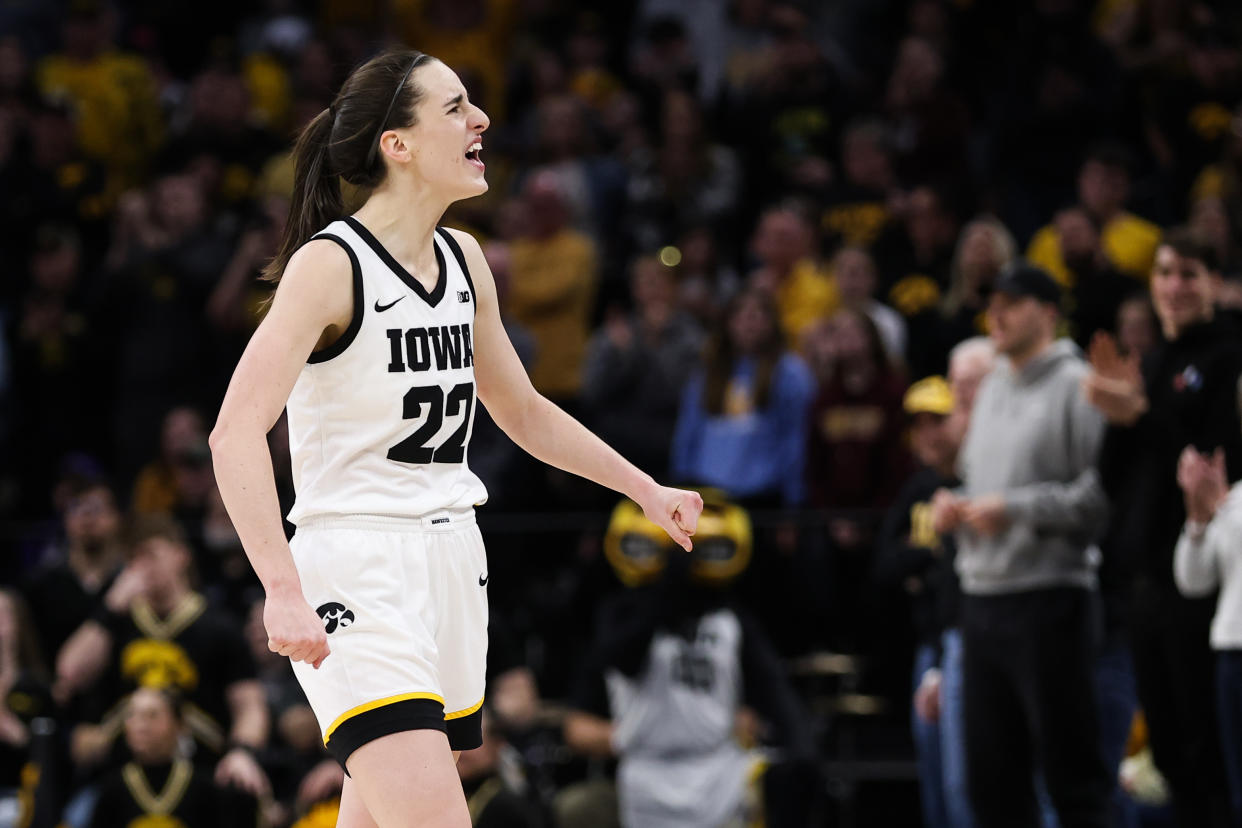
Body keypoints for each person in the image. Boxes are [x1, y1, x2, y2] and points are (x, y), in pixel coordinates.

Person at [207, 50, 703, 828]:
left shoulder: (466, 259)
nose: (481, 120)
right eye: (455, 107)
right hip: (358, 567)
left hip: (450, 562)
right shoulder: (329, 266)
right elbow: (234, 434)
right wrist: (281, 588)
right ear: (396, 145)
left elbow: (524, 412)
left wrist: (645, 489)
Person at [931, 262, 1111, 827]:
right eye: (992, 304)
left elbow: (1100, 500)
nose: (997, 314)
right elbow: (983, 484)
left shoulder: (1079, 386)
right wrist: (956, 504)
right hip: (981, 601)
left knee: (1071, 779)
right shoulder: (990, 390)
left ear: (1049, 312)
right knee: (991, 787)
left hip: (1050, 597)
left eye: (1012, 302)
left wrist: (1014, 509)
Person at [1084, 231, 1242, 828]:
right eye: (1166, 273)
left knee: (1208, 752)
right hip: (1144, 584)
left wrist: (1143, 416)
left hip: (1204, 588)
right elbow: (1113, 480)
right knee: (1169, 756)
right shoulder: (1148, 364)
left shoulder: (1229, 359)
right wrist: (1116, 417)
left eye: (1191, 274)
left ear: (1215, 284)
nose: (1175, 287)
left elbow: (1210, 473)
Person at [1175, 444, 1242, 826]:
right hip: (1231, 656)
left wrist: (1221, 506)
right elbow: (1194, 580)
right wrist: (1198, 515)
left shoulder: (1233, 504)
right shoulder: (1236, 498)